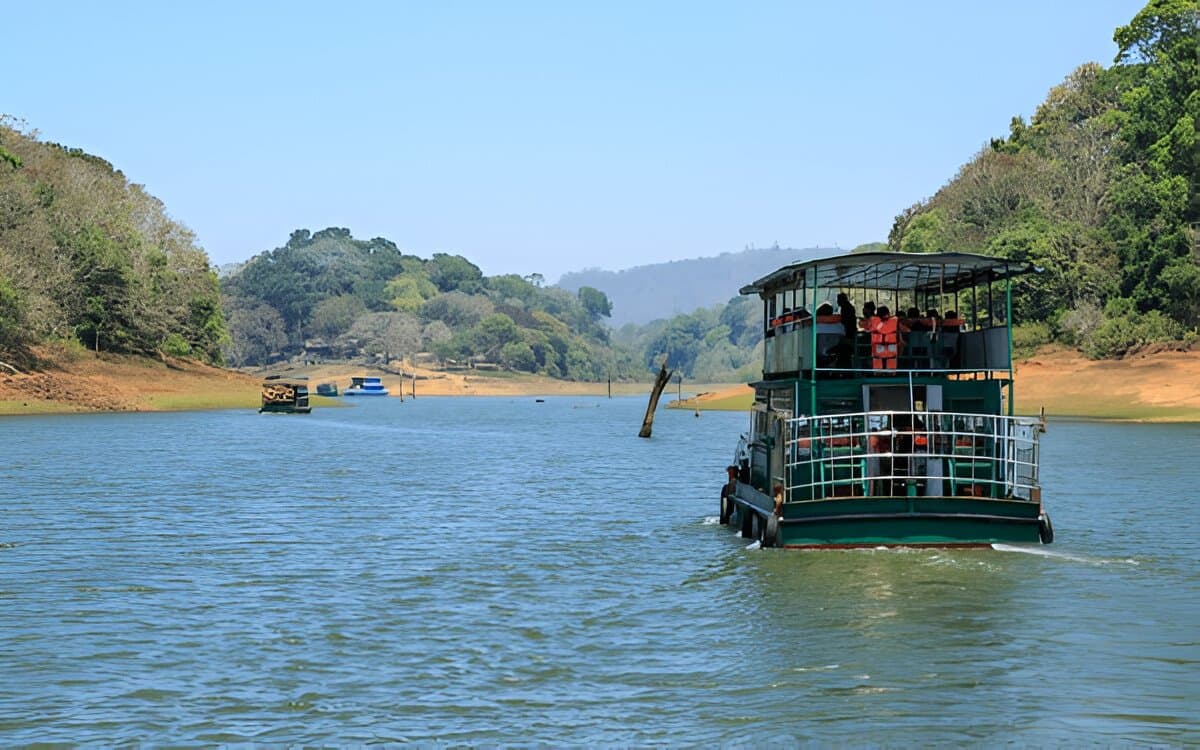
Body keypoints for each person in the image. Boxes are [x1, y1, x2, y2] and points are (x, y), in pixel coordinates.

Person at [870, 305, 909, 370]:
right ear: (888, 313)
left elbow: (867, 328)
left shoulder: (874, 322)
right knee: (891, 360)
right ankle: (891, 373)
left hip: (878, 346)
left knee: (878, 359)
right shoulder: (894, 321)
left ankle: (878, 373)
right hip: (891, 345)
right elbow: (907, 330)